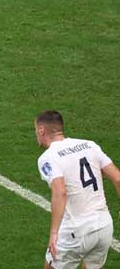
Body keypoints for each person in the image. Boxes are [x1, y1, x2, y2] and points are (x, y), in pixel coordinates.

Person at [35, 110, 120, 269]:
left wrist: (54, 233)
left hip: (75, 232)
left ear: (41, 130)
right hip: (104, 226)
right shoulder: (90, 145)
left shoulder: (48, 157)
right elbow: (117, 178)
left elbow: (60, 192)